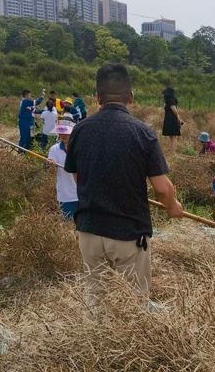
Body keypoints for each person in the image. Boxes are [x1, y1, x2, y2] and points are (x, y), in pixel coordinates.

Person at [64, 64, 183, 296]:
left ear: (98, 97)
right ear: (131, 97)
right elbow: (162, 189)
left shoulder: (79, 130)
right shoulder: (142, 132)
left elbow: (78, 178)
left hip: (89, 230)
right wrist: (173, 206)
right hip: (128, 235)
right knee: (133, 305)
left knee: (95, 299)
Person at [47, 120, 79, 220]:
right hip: (66, 195)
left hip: (83, 194)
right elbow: (52, 174)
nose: (63, 135)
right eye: (61, 132)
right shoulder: (54, 149)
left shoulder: (81, 147)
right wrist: (52, 166)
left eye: (66, 132)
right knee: (69, 225)